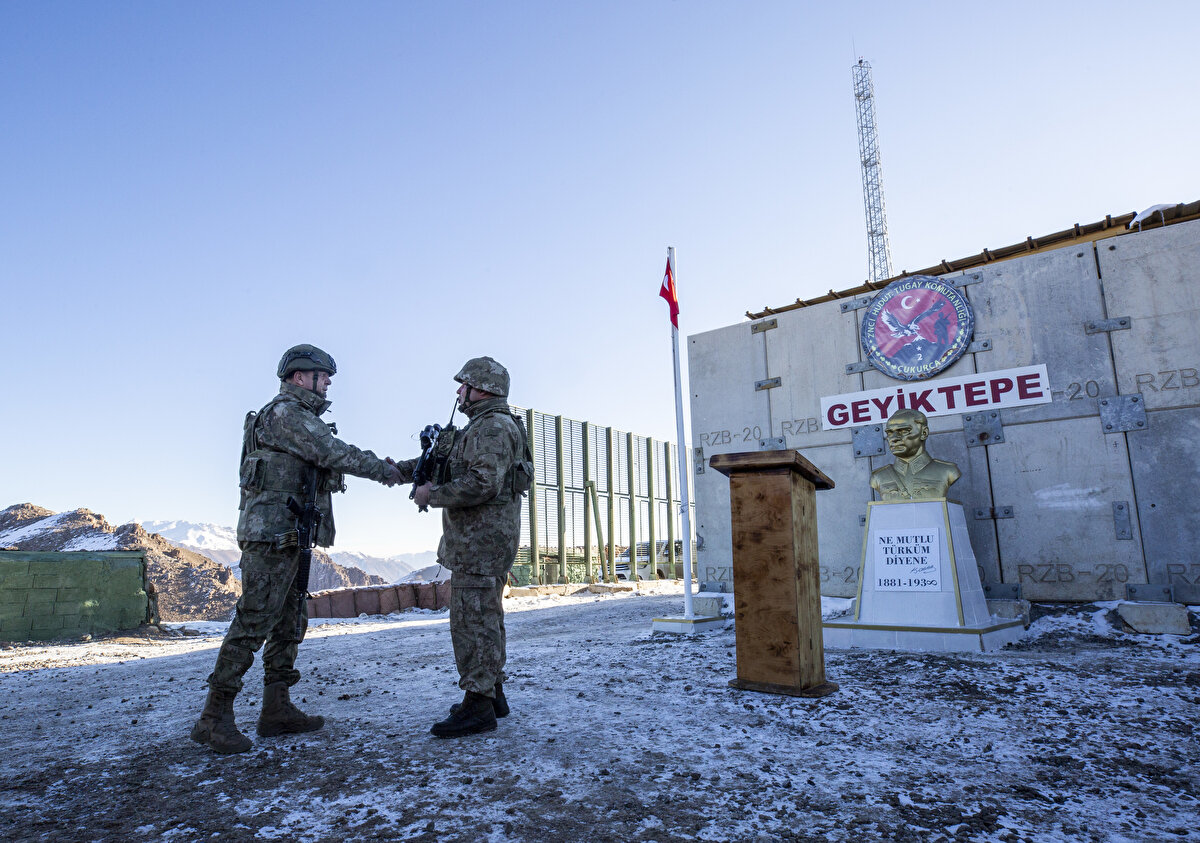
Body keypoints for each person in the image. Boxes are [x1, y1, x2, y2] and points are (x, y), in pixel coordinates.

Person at [190, 344, 403, 755]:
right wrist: (386, 471)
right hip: (271, 536)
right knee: (254, 620)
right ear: (300, 377)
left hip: (290, 534)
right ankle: (213, 717)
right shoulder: (286, 414)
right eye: (324, 377)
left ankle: (277, 708)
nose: (327, 386)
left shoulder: (296, 416)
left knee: (290, 620)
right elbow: (332, 453)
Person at [392, 356, 526, 738]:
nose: (458, 392)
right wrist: (397, 472)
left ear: (481, 388)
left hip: (481, 542)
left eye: (463, 384)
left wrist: (430, 495)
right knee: (485, 616)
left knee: (471, 621)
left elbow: (482, 483)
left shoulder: (493, 428)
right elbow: (443, 464)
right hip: (481, 540)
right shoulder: (484, 427)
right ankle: (493, 693)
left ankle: (478, 705)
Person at [869, 409, 961, 501]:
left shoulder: (948, 471)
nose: (893, 438)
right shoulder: (878, 477)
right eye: (889, 433)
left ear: (923, 433)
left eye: (904, 431)